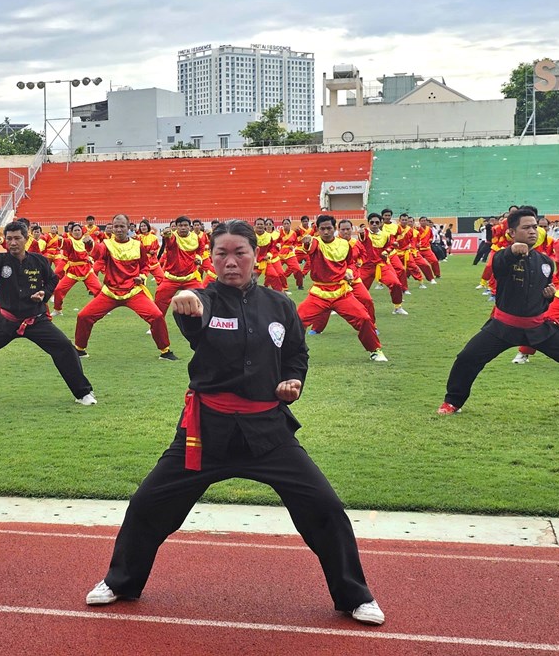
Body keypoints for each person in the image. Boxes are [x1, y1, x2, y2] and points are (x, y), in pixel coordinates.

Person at [83, 220, 384, 626]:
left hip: (268, 432)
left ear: (255, 256)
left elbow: (296, 354)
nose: (230, 262)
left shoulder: (280, 305)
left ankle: (354, 596)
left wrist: (294, 380)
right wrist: (187, 299)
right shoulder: (204, 300)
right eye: (221, 254)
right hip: (206, 432)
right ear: (210, 259)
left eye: (239, 253)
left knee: (325, 507)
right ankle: (121, 582)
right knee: (148, 504)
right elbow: (195, 312)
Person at [0, 221, 95, 405]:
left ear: (26, 238)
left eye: (17, 238)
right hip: (6, 320)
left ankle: (83, 393)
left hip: (36, 320)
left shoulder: (39, 261)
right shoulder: (1, 260)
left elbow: (52, 280)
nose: (13, 243)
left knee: (66, 348)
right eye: (9, 239)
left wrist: (44, 293)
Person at [439, 208, 559, 413]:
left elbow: (541, 298)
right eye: (526, 227)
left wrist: (548, 296)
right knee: (467, 358)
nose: (532, 231)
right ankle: (452, 402)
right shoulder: (503, 257)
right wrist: (512, 251)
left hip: (538, 328)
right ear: (512, 233)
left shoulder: (545, 263)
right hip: (503, 327)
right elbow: (499, 264)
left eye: (534, 227)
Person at [74, 213, 177, 361]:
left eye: (122, 226)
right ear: (112, 228)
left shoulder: (137, 245)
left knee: (157, 316)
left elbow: (144, 266)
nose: (119, 229)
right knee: (83, 316)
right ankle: (79, 350)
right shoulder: (107, 244)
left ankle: (165, 351)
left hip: (133, 291)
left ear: (128, 227)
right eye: (116, 226)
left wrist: (142, 277)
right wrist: (89, 243)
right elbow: (97, 253)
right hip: (110, 292)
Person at [298, 215, 387, 361]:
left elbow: (351, 262)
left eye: (329, 228)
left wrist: (349, 271)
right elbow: (308, 246)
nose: (326, 232)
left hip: (342, 292)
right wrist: (307, 242)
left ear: (334, 228)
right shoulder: (315, 242)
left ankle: (375, 350)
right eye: (322, 229)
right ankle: (292, 353)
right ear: (317, 229)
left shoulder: (345, 244)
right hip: (319, 293)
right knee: (298, 320)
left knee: (364, 318)